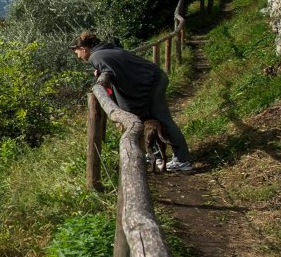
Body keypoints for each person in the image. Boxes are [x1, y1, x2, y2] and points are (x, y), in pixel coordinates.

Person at [73, 30, 192, 172]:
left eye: (77, 53)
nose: (79, 57)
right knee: (154, 118)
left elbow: (110, 72)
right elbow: (113, 70)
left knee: (164, 119)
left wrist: (99, 76)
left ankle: (183, 160)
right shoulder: (105, 50)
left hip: (153, 81)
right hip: (153, 77)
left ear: (83, 49)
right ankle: (157, 154)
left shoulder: (96, 56)